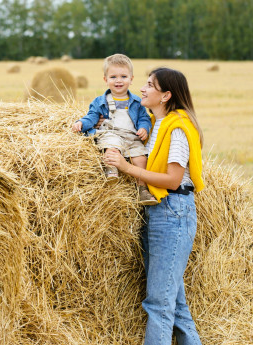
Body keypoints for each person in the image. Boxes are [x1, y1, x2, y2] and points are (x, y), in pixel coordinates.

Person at [103, 67, 204, 345]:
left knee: (159, 304)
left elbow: (172, 180)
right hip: (158, 210)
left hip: (173, 211)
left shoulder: (178, 127)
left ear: (166, 95)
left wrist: (125, 168)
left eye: (150, 85)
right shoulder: (153, 123)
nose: (143, 89)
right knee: (176, 307)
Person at [72, 54, 157, 205]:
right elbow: (91, 117)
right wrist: (81, 123)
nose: (118, 80)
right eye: (113, 77)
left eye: (124, 76)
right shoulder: (100, 101)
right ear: (105, 80)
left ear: (131, 79)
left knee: (141, 159)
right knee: (111, 146)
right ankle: (111, 169)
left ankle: (142, 189)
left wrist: (144, 127)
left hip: (132, 137)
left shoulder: (137, 102)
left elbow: (144, 118)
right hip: (112, 134)